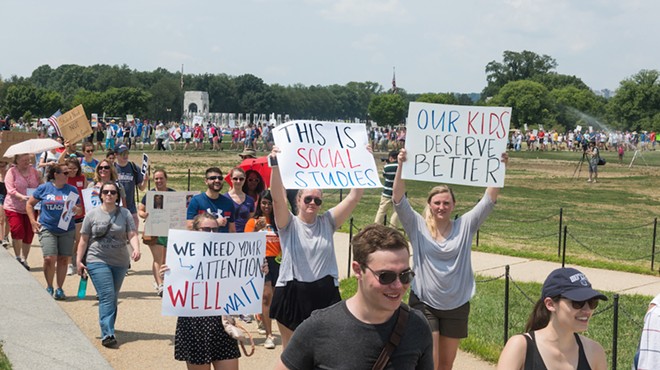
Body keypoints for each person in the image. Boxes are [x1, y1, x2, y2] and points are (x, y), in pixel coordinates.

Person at [392, 148, 508, 370]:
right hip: (425, 301)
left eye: (446, 203)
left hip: (457, 304)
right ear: (430, 205)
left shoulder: (465, 225)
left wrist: (500, 167)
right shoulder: (417, 226)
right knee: (430, 362)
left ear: (453, 205)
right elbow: (398, 199)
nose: (441, 207)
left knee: (446, 364)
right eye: (437, 203)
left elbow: (489, 200)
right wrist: (401, 166)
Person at [275, 224, 434, 370]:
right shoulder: (318, 328)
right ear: (358, 270)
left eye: (405, 275)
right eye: (386, 276)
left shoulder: (417, 325)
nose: (399, 285)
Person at [268, 145, 365, 349]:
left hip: (324, 290)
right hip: (292, 289)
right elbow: (277, 198)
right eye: (308, 199)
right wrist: (275, 165)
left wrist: (363, 160)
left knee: (325, 348)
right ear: (298, 200)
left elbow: (354, 197)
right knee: (293, 350)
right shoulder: (288, 224)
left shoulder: (327, 222)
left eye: (317, 200)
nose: (313, 203)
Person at [160, 212, 241, 369]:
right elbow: (176, 287)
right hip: (193, 324)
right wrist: (167, 274)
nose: (211, 233)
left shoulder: (228, 254)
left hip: (222, 323)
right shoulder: (182, 255)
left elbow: (241, 278)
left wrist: (257, 271)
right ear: (195, 230)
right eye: (206, 229)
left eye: (215, 230)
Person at [496, 267, 608, 370]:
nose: (587, 310)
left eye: (592, 302)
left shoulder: (594, 352)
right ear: (550, 304)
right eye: (578, 303)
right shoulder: (520, 347)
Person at [76, 181, 141, 348]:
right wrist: (78, 260)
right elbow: (83, 239)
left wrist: (136, 248)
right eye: (106, 192)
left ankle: (109, 326)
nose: (109, 195)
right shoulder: (91, 215)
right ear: (101, 194)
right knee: (106, 295)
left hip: (120, 261)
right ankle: (108, 334)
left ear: (117, 195)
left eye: (113, 192)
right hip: (97, 259)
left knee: (112, 296)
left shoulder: (125, 214)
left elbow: (132, 234)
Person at [26, 163, 82, 300]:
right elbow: (29, 204)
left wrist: (77, 209)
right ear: (56, 174)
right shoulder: (44, 188)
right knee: (49, 258)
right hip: (47, 227)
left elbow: (79, 208)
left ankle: (59, 288)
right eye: (65, 173)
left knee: (63, 260)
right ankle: (49, 285)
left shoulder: (72, 190)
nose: (67, 175)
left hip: (66, 228)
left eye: (68, 173)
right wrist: (33, 221)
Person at [244, 190, 279, 350]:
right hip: (260, 260)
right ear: (260, 204)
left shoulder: (280, 222)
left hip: (278, 261)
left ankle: (260, 315)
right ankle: (269, 335)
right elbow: (245, 243)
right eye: (264, 203)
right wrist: (255, 230)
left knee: (274, 297)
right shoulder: (253, 221)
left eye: (270, 203)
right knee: (265, 297)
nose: (267, 206)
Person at [138, 169, 175, 297]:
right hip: (154, 230)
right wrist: (144, 214)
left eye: (161, 178)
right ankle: (160, 285)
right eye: (156, 179)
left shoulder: (172, 193)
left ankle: (162, 281)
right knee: (158, 258)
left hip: (169, 230)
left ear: (166, 179)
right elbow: (141, 210)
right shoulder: (149, 194)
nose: (159, 181)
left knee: (165, 259)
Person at [5, 153, 43, 270]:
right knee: (17, 230)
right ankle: (17, 257)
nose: (27, 162)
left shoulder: (35, 172)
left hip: (31, 207)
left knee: (29, 233)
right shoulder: (11, 172)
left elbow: (41, 186)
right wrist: (21, 196)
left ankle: (24, 258)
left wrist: (41, 179)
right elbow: (10, 189)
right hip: (14, 206)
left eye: (28, 159)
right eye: (24, 160)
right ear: (17, 160)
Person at [186, 167, 236, 232]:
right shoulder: (196, 201)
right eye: (213, 178)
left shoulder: (228, 203)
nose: (217, 180)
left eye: (220, 178)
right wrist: (215, 223)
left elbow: (232, 229)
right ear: (206, 181)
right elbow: (189, 225)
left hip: (222, 241)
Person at [114, 144, 147, 227]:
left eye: (127, 153)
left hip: (131, 208)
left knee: (133, 233)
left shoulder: (134, 167)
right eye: (122, 154)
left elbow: (141, 188)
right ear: (116, 155)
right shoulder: (112, 168)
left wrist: (145, 180)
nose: (125, 156)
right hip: (115, 208)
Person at [65, 158, 87, 275]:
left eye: (75, 168)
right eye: (70, 168)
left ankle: (73, 256)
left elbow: (86, 192)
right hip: (67, 213)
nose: (72, 171)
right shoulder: (64, 179)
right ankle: (69, 263)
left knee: (78, 240)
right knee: (68, 239)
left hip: (80, 212)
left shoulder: (82, 178)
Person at [374, 150, 400, 228]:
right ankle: (393, 228)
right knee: (396, 213)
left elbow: (384, 175)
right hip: (398, 193)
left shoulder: (387, 167)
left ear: (391, 158)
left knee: (381, 211)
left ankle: (376, 227)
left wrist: (387, 164)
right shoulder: (401, 166)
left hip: (387, 193)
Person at [223, 167, 255, 233]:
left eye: (241, 179)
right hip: (227, 235)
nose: (238, 181)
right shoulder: (224, 198)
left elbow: (250, 221)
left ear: (245, 180)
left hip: (244, 236)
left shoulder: (250, 200)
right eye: (235, 179)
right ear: (231, 179)